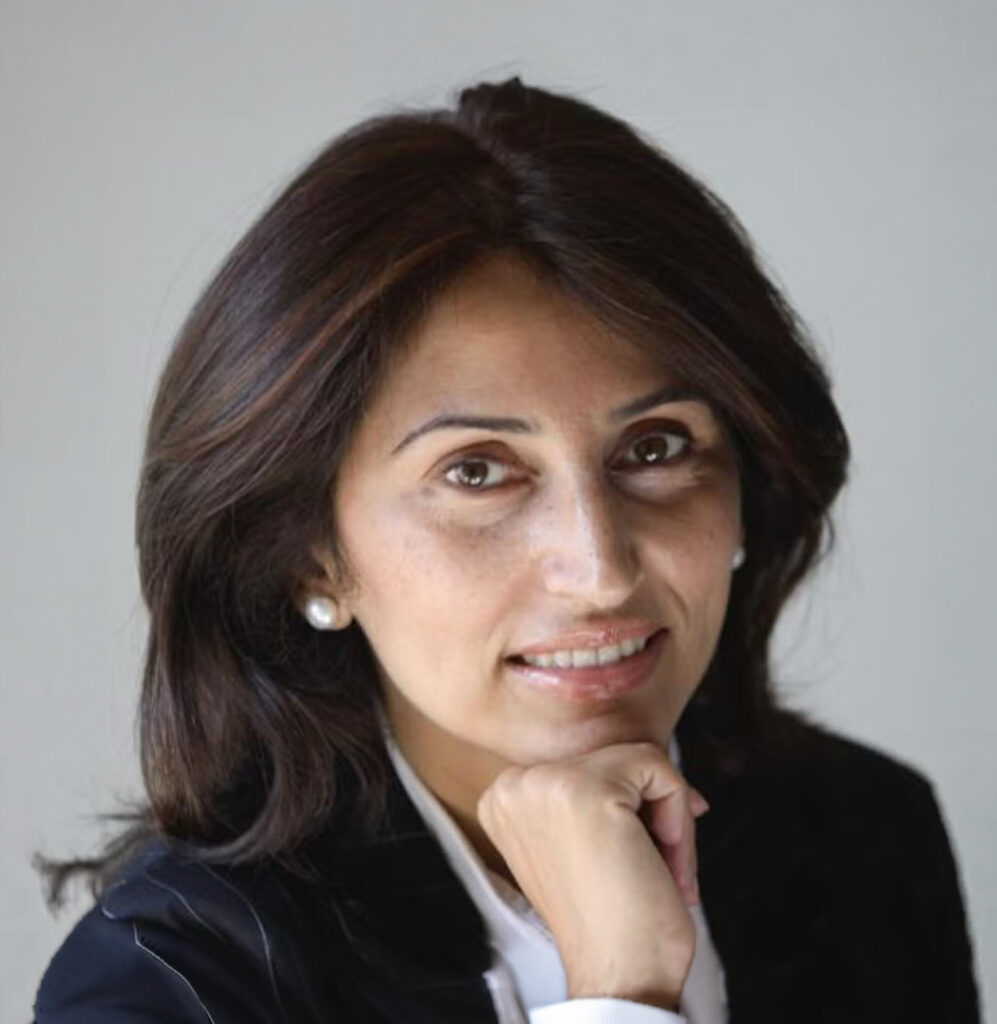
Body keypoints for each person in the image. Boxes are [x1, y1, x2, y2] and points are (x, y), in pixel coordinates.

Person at [31, 78, 980, 1023]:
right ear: (311, 558)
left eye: (654, 448)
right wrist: (623, 991)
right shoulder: (167, 978)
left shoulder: (863, 836)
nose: (600, 568)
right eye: (478, 472)